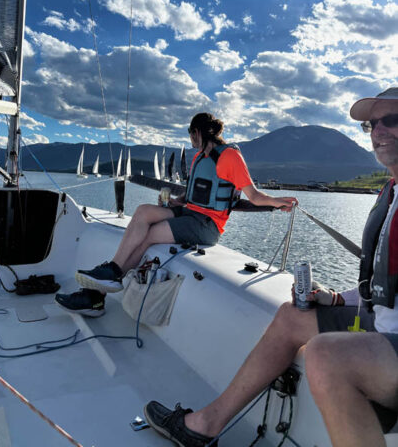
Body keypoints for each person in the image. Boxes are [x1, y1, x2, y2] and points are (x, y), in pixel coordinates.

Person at [144, 88, 398, 447]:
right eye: (373, 124)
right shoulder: (390, 194)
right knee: (291, 316)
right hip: (381, 325)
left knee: (327, 355)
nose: (378, 131)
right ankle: (204, 425)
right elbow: (383, 284)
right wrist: (338, 298)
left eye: (392, 120)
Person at [55, 112, 297, 316]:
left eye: (191, 134)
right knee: (142, 211)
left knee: (150, 235)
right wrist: (174, 201)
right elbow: (192, 197)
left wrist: (279, 202)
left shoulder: (230, 156)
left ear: (198, 132)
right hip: (188, 212)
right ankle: (112, 271)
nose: (190, 140)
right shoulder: (200, 158)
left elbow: (253, 196)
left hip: (207, 225)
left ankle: (104, 285)